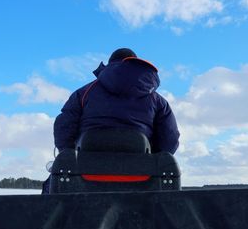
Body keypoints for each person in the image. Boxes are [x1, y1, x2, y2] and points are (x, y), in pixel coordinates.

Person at [42, 48, 180, 193]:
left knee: (50, 189)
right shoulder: (157, 100)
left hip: (87, 172)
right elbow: (170, 139)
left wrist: (70, 155)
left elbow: (64, 127)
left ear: (109, 65)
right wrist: (152, 161)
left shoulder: (84, 92)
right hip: (141, 175)